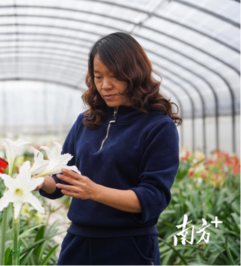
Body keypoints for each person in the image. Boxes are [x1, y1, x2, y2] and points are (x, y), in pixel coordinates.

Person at [35, 32, 182, 266]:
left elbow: (153, 197)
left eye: (115, 76)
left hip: (129, 248)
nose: (105, 86)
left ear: (135, 74)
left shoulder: (158, 126)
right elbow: (61, 177)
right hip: (78, 244)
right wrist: (42, 181)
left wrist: (95, 192)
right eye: (98, 76)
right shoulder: (86, 120)